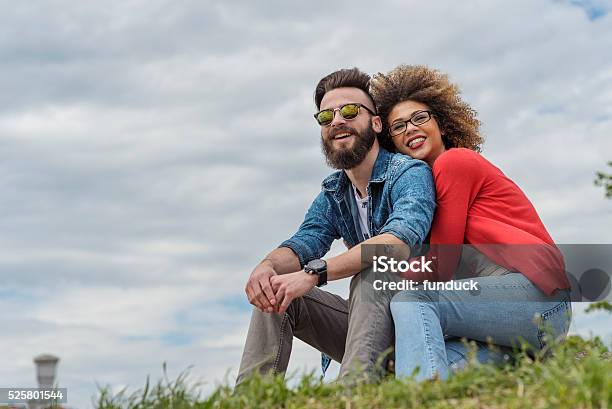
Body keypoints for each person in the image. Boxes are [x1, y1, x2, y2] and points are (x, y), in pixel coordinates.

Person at [369, 65, 572, 381]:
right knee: (422, 362)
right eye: (398, 126)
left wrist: (375, 267)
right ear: (391, 141)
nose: (409, 129)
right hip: (510, 327)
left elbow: (441, 266)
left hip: (536, 299)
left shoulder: (454, 162)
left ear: (442, 122)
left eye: (419, 118)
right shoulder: (425, 194)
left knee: (411, 299)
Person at [236, 68, 435, 385]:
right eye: (326, 116)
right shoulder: (334, 193)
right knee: (273, 289)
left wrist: (315, 273)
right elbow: (306, 241)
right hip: (366, 331)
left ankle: (352, 393)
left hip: (422, 324)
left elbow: (399, 241)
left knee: (376, 269)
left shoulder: (408, 173)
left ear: (376, 122)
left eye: (350, 111)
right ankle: (251, 400)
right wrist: (267, 266)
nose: (337, 121)